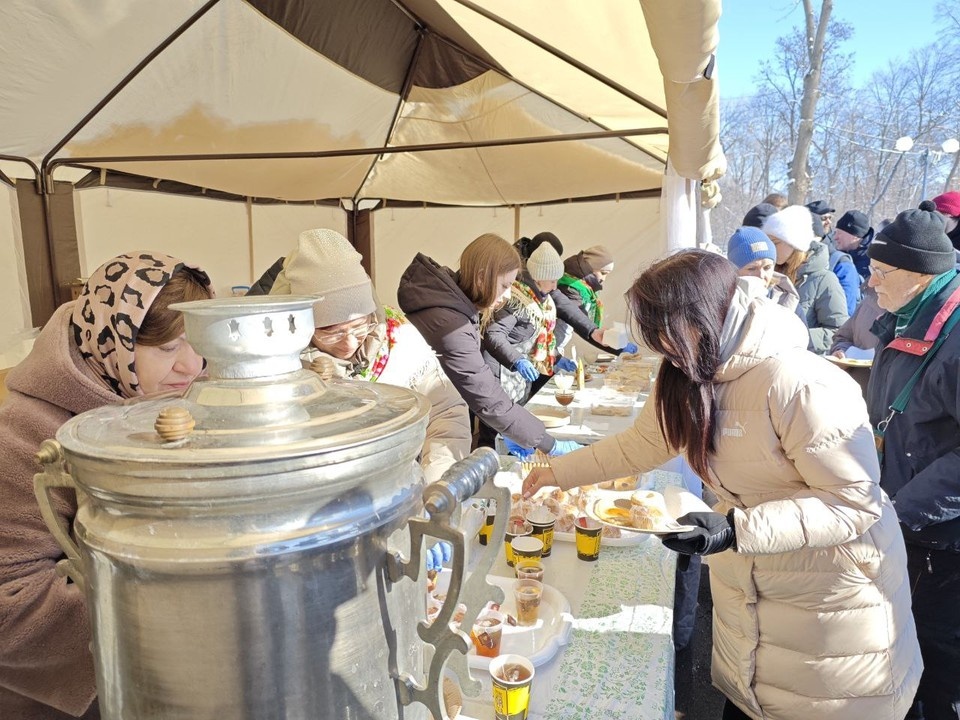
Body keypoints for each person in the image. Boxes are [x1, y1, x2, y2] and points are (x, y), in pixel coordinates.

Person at [522, 249, 921, 720]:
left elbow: (854, 504)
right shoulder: (689, 369)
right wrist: (558, 474)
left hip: (831, 609)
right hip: (758, 595)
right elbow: (640, 445)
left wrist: (736, 528)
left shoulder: (799, 381)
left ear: (704, 315)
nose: (659, 347)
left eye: (664, 331)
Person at [0, 252, 212, 720]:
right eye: (167, 347)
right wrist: (162, 622)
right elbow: (10, 601)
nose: (191, 366)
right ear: (112, 337)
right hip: (75, 696)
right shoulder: (24, 430)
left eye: (198, 343)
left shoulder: (177, 399)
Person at [267, 228, 472, 482]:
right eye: (330, 331)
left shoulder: (402, 341)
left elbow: (446, 413)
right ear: (300, 326)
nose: (349, 342)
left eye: (359, 325)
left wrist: (439, 479)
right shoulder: (278, 366)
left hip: (401, 489)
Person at [865, 201, 960, 719]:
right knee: (904, 654)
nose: (871, 282)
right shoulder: (905, 313)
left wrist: (900, 511)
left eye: (880, 272)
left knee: (936, 665)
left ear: (918, 274)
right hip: (904, 517)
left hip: (942, 538)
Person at [397, 233, 581, 457]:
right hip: (416, 422)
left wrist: (516, 431)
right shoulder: (450, 322)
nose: (505, 296)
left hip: (428, 416)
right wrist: (546, 442)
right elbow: (483, 393)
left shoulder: (455, 307)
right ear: (482, 277)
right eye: (504, 285)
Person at [483, 242, 576, 404]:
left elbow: (539, 338)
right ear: (538, 278)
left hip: (519, 376)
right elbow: (493, 334)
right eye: (553, 281)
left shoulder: (543, 303)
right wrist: (517, 360)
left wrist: (556, 357)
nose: (555, 287)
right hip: (500, 372)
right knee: (496, 426)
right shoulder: (515, 299)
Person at [518, 233, 634, 357]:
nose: (554, 285)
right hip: (527, 353)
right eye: (603, 273)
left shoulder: (551, 282)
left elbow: (562, 302)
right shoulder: (517, 278)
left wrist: (593, 331)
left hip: (542, 351)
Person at [762, 204, 848, 353]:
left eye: (775, 242)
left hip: (805, 364)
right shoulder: (769, 274)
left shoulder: (825, 280)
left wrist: (795, 336)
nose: (770, 247)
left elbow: (838, 332)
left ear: (793, 243)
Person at [725, 225, 801, 314]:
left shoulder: (789, 302)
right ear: (734, 271)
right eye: (752, 268)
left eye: (767, 267)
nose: (761, 275)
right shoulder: (721, 304)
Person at [833, 209, 874, 282]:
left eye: (839, 233)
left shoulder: (873, 259)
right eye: (835, 232)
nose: (835, 237)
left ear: (855, 235)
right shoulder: (838, 255)